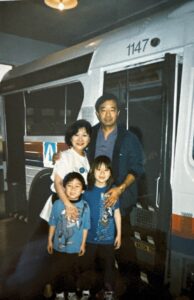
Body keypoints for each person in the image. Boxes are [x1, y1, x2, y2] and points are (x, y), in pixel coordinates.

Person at [87, 93, 144, 266]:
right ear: (97, 113)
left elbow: (137, 167)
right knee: (96, 246)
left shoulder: (129, 138)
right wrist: (60, 155)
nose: (108, 114)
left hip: (120, 199)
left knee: (124, 247)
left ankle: (130, 287)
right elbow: (76, 147)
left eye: (112, 110)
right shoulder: (91, 134)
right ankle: (99, 287)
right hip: (94, 198)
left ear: (118, 113)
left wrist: (120, 189)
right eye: (103, 110)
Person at [80, 155, 121, 300]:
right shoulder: (87, 193)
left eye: (106, 170)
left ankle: (109, 291)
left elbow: (117, 214)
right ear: (92, 172)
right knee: (87, 265)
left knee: (108, 267)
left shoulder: (113, 192)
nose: (102, 173)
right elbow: (82, 215)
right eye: (98, 170)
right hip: (90, 238)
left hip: (108, 239)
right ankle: (85, 290)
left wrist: (119, 235)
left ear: (110, 173)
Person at [47, 172, 90, 300]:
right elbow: (53, 223)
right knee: (59, 270)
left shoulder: (85, 206)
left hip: (75, 247)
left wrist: (83, 244)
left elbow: (86, 226)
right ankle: (59, 293)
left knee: (72, 271)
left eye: (77, 186)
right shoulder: (58, 204)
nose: (72, 189)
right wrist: (49, 240)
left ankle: (71, 293)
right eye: (69, 186)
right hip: (58, 246)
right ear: (64, 188)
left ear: (82, 190)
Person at [40, 119, 92, 222]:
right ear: (70, 138)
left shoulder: (87, 158)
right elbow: (58, 183)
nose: (80, 139)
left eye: (84, 135)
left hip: (76, 203)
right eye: (76, 135)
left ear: (89, 139)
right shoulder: (64, 156)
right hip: (63, 203)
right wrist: (68, 205)